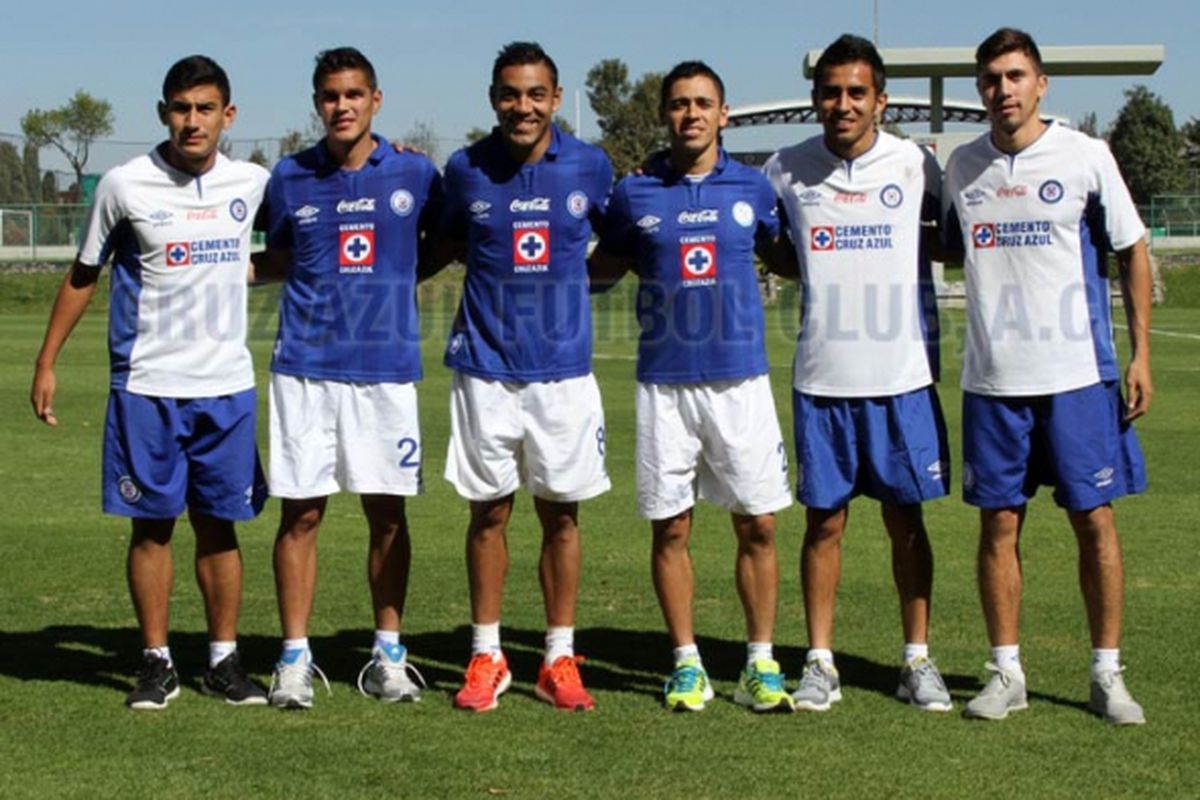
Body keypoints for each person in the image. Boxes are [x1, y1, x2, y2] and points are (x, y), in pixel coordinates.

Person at [30, 55, 269, 710]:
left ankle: (224, 662)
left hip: (225, 386)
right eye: (180, 107)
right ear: (163, 111)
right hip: (146, 385)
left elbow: (290, 246)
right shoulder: (123, 184)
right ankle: (156, 662)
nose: (192, 121)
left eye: (205, 108)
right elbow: (83, 275)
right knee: (152, 526)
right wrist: (46, 360)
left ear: (229, 114)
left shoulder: (253, 182)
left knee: (221, 525)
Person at [943, 28, 1151, 725]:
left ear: (1042, 84)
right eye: (992, 79)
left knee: (1095, 520)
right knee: (998, 524)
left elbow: (1133, 247)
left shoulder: (1086, 156)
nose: (1003, 90)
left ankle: (1107, 674)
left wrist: (1141, 354)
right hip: (993, 382)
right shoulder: (961, 167)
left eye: (1015, 76)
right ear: (981, 90)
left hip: (1077, 379)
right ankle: (1006, 673)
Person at [590, 62, 794, 713]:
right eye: (679, 104)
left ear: (724, 113)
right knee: (670, 528)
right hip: (664, 385)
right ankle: (687, 665)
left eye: (703, 102)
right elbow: (597, 271)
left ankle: (760, 662)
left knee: (757, 523)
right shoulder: (635, 192)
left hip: (742, 381)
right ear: (665, 115)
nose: (691, 114)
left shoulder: (755, 190)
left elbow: (794, 256)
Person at [763, 34, 952, 712]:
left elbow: (951, 238)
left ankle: (917, 661)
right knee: (824, 525)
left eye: (856, 92)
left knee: (908, 522)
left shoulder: (916, 164)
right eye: (830, 91)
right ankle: (819, 662)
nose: (842, 104)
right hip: (823, 378)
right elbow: (772, 248)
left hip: (902, 379)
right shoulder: (784, 169)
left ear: (881, 100)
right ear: (816, 97)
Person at [257, 47, 441, 709]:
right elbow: (277, 254)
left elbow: (447, 238)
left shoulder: (417, 174)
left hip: (386, 372)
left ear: (376, 100)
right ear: (318, 103)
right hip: (304, 370)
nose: (342, 106)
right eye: (331, 96)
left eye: (354, 94)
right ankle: (293, 659)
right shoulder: (288, 177)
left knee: (387, 514)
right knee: (301, 513)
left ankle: (389, 655)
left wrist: (396, 283)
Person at [432, 41, 613, 712]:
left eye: (536, 94)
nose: (523, 106)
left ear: (556, 99)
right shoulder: (465, 169)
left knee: (561, 516)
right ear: (493, 98)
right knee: (489, 514)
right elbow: (445, 243)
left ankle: (558, 660)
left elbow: (618, 243)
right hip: (483, 369)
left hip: (564, 374)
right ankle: (487, 654)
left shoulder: (591, 167)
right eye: (510, 94)